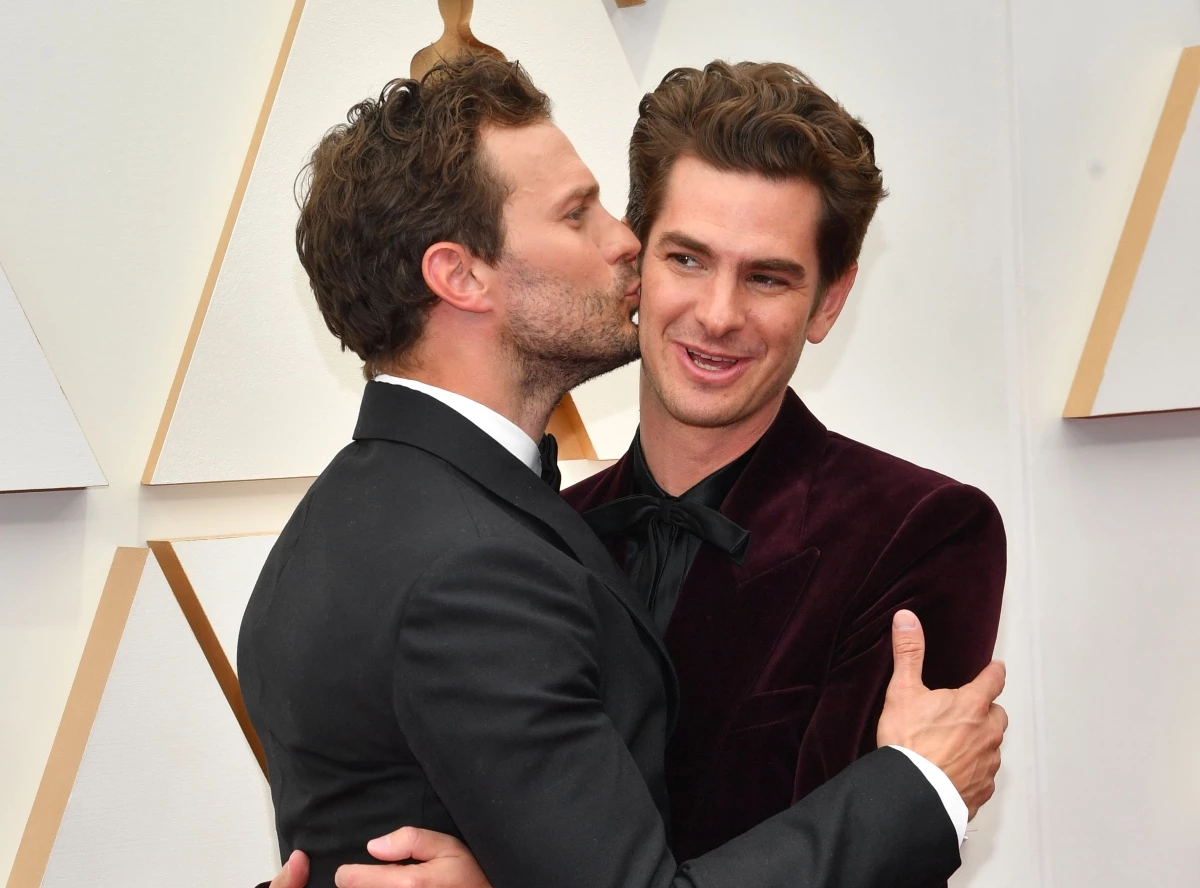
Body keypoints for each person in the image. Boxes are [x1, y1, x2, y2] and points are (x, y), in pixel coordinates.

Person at [242, 55, 1006, 888]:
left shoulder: (917, 531)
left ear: (826, 301)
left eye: (768, 277)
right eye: (682, 257)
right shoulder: (510, 545)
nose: (718, 313)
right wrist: (926, 788)